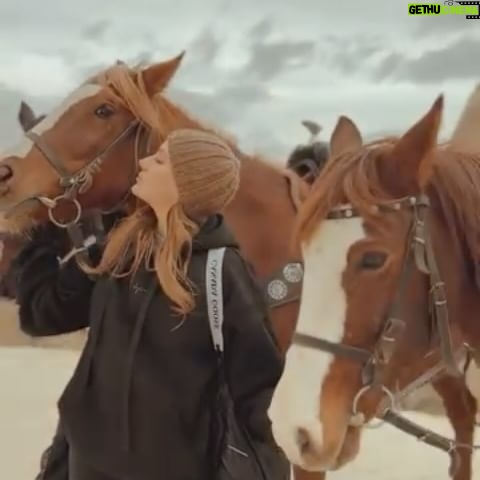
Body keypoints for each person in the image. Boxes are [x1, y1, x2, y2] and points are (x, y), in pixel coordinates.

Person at [15, 129, 288, 480]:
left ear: (187, 182)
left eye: (159, 160)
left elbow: (258, 390)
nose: (143, 163)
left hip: (176, 469)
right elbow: (43, 315)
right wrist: (42, 229)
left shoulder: (222, 271)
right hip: (86, 460)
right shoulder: (119, 249)